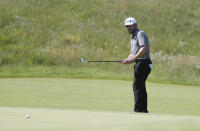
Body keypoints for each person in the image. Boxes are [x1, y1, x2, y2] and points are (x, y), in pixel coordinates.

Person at [122, 17, 152, 113]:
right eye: (127, 27)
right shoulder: (133, 37)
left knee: (137, 85)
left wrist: (133, 59)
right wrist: (128, 59)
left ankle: (139, 109)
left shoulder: (140, 34)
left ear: (135, 25)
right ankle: (142, 109)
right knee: (139, 85)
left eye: (130, 26)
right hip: (139, 62)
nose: (128, 28)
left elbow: (144, 48)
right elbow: (133, 53)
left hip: (144, 62)